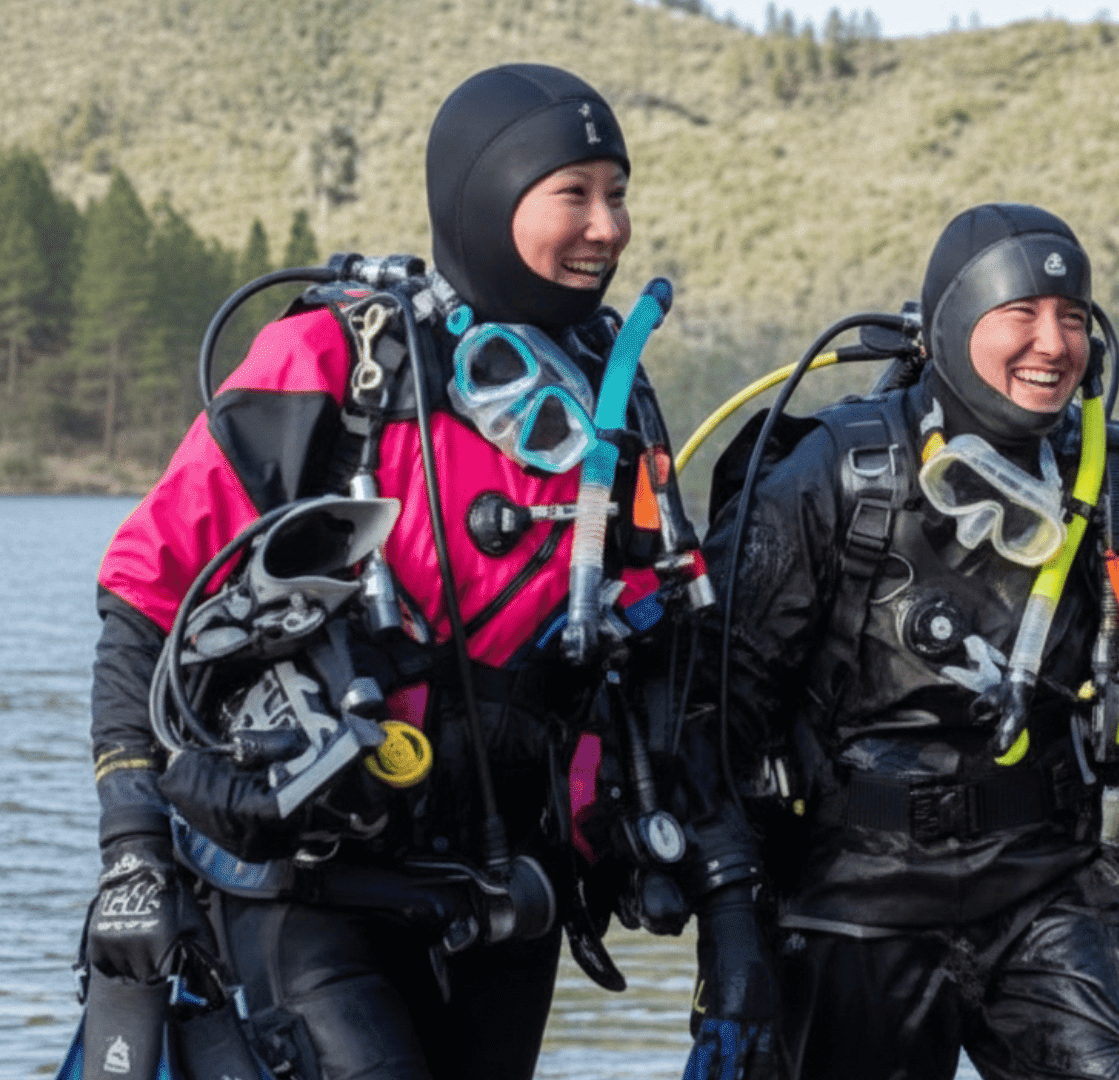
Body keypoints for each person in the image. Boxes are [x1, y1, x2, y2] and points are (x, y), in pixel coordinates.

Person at [78, 63, 719, 1080]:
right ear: (487, 194)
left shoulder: (615, 406)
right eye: (575, 193)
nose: (608, 227)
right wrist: (131, 851)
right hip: (310, 885)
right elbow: (142, 591)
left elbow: (658, 650)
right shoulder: (338, 361)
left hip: (500, 890)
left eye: (619, 193)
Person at [686, 203, 1119, 1080]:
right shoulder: (832, 480)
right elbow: (715, 716)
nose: (1053, 343)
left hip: (1044, 885)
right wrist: (730, 927)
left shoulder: (1109, 503)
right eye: (1021, 313)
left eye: (1072, 318)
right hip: (848, 899)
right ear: (956, 324)